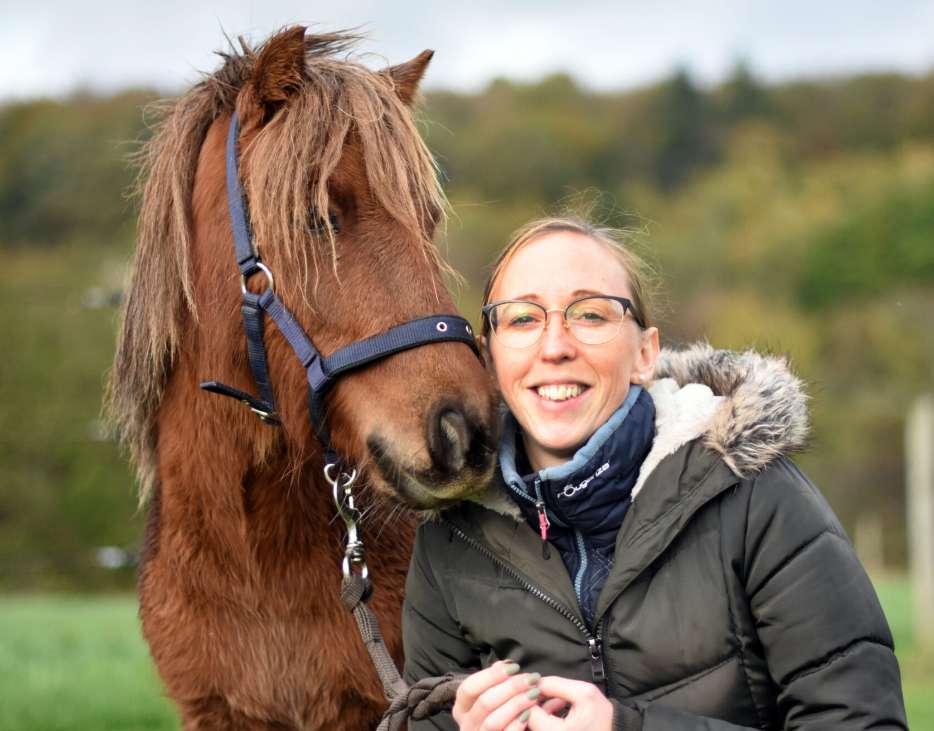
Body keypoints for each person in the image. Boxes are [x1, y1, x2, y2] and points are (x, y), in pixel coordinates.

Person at [401, 215, 908, 730]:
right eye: (523, 319)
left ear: (645, 354)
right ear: (488, 360)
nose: (554, 347)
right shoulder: (450, 541)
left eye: (591, 315)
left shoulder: (756, 497)